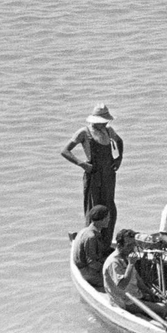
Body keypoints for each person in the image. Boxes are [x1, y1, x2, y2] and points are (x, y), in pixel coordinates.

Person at [61, 104, 123, 246]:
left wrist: (119, 158)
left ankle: (106, 243)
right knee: (93, 210)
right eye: (103, 121)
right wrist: (81, 164)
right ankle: (90, 243)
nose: (106, 123)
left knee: (109, 210)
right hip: (93, 175)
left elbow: (119, 141)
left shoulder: (108, 131)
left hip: (108, 175)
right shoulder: (84, 132)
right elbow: (65, 151)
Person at [103, 228, 167, 320]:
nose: (132, 248)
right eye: (129, 245)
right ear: (119, 245)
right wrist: (131, 264)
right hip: (125, 302)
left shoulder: (127, 256)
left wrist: (150, 292)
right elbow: (122, 285)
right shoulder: (114, 262)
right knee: (163, 308)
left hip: (136, 295)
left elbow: (137, 278)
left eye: (133, 245)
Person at [72, 205, 112, 289]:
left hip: (85, 267)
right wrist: (109, 270)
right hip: (87, 272)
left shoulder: (85, 230)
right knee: (120, 282)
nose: (109, 220)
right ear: (101, 219)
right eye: (107, 217)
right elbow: (92, 263)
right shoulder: (91, 237)